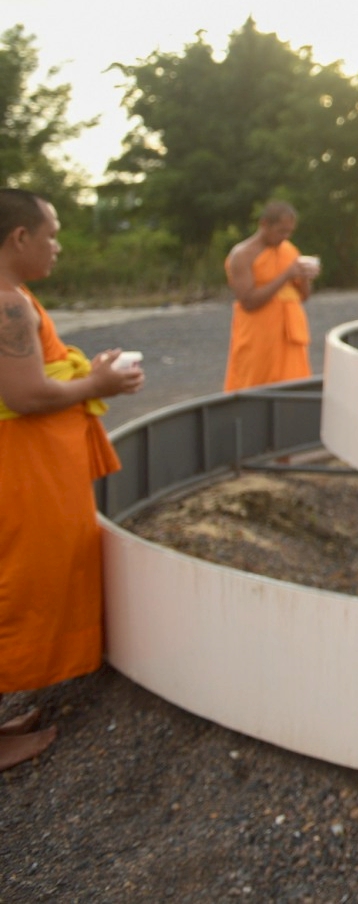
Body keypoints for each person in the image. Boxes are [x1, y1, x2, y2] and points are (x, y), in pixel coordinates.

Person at [0, 189, 145, 769]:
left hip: (27, 459)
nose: (57, 246)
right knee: (17, 578)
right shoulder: (8, 304)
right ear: (19, 238)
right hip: (19, 466)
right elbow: (26, 393)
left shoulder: (16, 298)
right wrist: (97, 386)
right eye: (52, 234)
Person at [224, 202, 316, 392]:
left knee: (296, 389)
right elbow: (248, 301)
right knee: (255, 387)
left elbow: (304, 296)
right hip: (259, 337)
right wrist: (286, 275)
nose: (285, 237)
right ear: (264, 224)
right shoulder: (242, 255)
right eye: (281, 231)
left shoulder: (289, 250)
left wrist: (306, 277)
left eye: (289, 232)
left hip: (290, 337)